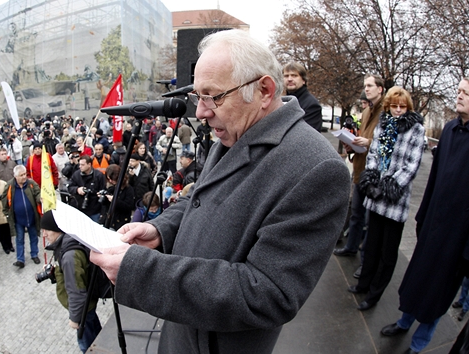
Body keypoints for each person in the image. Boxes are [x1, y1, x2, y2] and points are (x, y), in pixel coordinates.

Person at [89, 29, 349, 353]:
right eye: (199, 96)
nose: (200, 112)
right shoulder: (235, 129)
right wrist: (160, 230)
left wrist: (141, 272)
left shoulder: (317, 170)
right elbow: (204, 197)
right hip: (182, 333)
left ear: (264, 90)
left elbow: (267, 293)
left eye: (213, 96)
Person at [380, 78, 469, 354]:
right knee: (418, 280)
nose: (459, 96)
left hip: (457, 236)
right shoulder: (449, 129)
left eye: (465, 93)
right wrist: (422, 217)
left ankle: (418, 345)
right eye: (458, 91)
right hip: (433, 225)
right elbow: (434, 179)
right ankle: (403, 323)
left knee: (438, 293)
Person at [347, 86, 425, 311]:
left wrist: (388, 186)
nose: (398, 110)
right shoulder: (384, 124)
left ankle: (374, 295)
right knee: (371, 245)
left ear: (408, 107)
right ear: (389, 106)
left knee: (387, 253)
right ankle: (363, 284)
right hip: (376, 195)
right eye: (394, 106)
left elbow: (411, 166)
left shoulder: (416, 130)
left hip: (394, 200)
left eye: (402, 107)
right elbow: (373, 154)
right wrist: (371, 179)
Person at [333, 75, 385, 279]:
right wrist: (351, 144)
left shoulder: (386, 112)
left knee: (369, 222)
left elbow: (387, 144)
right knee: (356, 213)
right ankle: (351, 247)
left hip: (374, 174)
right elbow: (360, 137)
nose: (367, 89)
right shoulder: (365, 111)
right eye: (365, 86)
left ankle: (366, 262)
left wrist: (369, 142)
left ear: (380, 89)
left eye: (370, 86)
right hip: (360, 168)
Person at [41, 210, 102, 353]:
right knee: (96, 333)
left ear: (57, 229)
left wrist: (75, 319)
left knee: (87, 345)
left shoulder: (69, 256)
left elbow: (76, 291)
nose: (44, 235)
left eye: (46, 230)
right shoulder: (67, 241)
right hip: (87, 307)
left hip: (83, 310)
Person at [2, 165, 41, 269]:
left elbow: (38, 192)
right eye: (21, 175)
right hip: (18, 219)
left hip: (32, 217)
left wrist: (39, 199)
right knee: (19, 239)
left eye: (25, 174)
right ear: (15, 176)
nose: (24, 177)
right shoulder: (10, 186)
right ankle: (20, 259)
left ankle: (34, 254)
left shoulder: (31, 183)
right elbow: (4, 200)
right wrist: (6, 213)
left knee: (34, 237)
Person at [283, 62, 323, 131]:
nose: (289, 79)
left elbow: (307, 135)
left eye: (294, 75)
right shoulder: (281, 101)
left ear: (303, 80)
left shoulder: (312, 105)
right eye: (286, 76)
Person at [68, 156, 107, 223]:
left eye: (82, 165)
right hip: (80, 208)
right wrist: (77, 189)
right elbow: (69, 187)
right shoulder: (76, 175)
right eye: (79, 164)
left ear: (89, 164)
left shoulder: (99, 176)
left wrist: (102, 213)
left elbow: (104, 192)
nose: (80, 166)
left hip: (94, 210)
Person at [100, 165, 135, 230]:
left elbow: (129, 206)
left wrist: (115, 201)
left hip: (120, 222)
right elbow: (105, 206)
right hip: (108, 220)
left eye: (112, 179)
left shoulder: (128, 189)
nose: (110, 181)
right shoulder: (110, 187)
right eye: (108, 179)